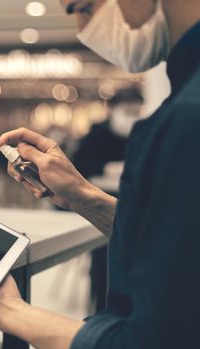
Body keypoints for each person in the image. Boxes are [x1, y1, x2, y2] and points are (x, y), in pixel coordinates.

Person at [0, 1, 200, 349]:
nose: (81, 28)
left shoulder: (198, 118)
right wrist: (83, 195)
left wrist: (9, 310)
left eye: (84, 7)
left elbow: (157, 343)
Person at [73, 86, 143, 313]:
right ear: (112, 109)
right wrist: (109, 169)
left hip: (135, 205)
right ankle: (101, 309)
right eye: (127, 109)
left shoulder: (142, 133)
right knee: (103, 263)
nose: (132, 115)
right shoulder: (95, 135)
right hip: (99, 204)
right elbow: (78, 168)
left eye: (136, 110)